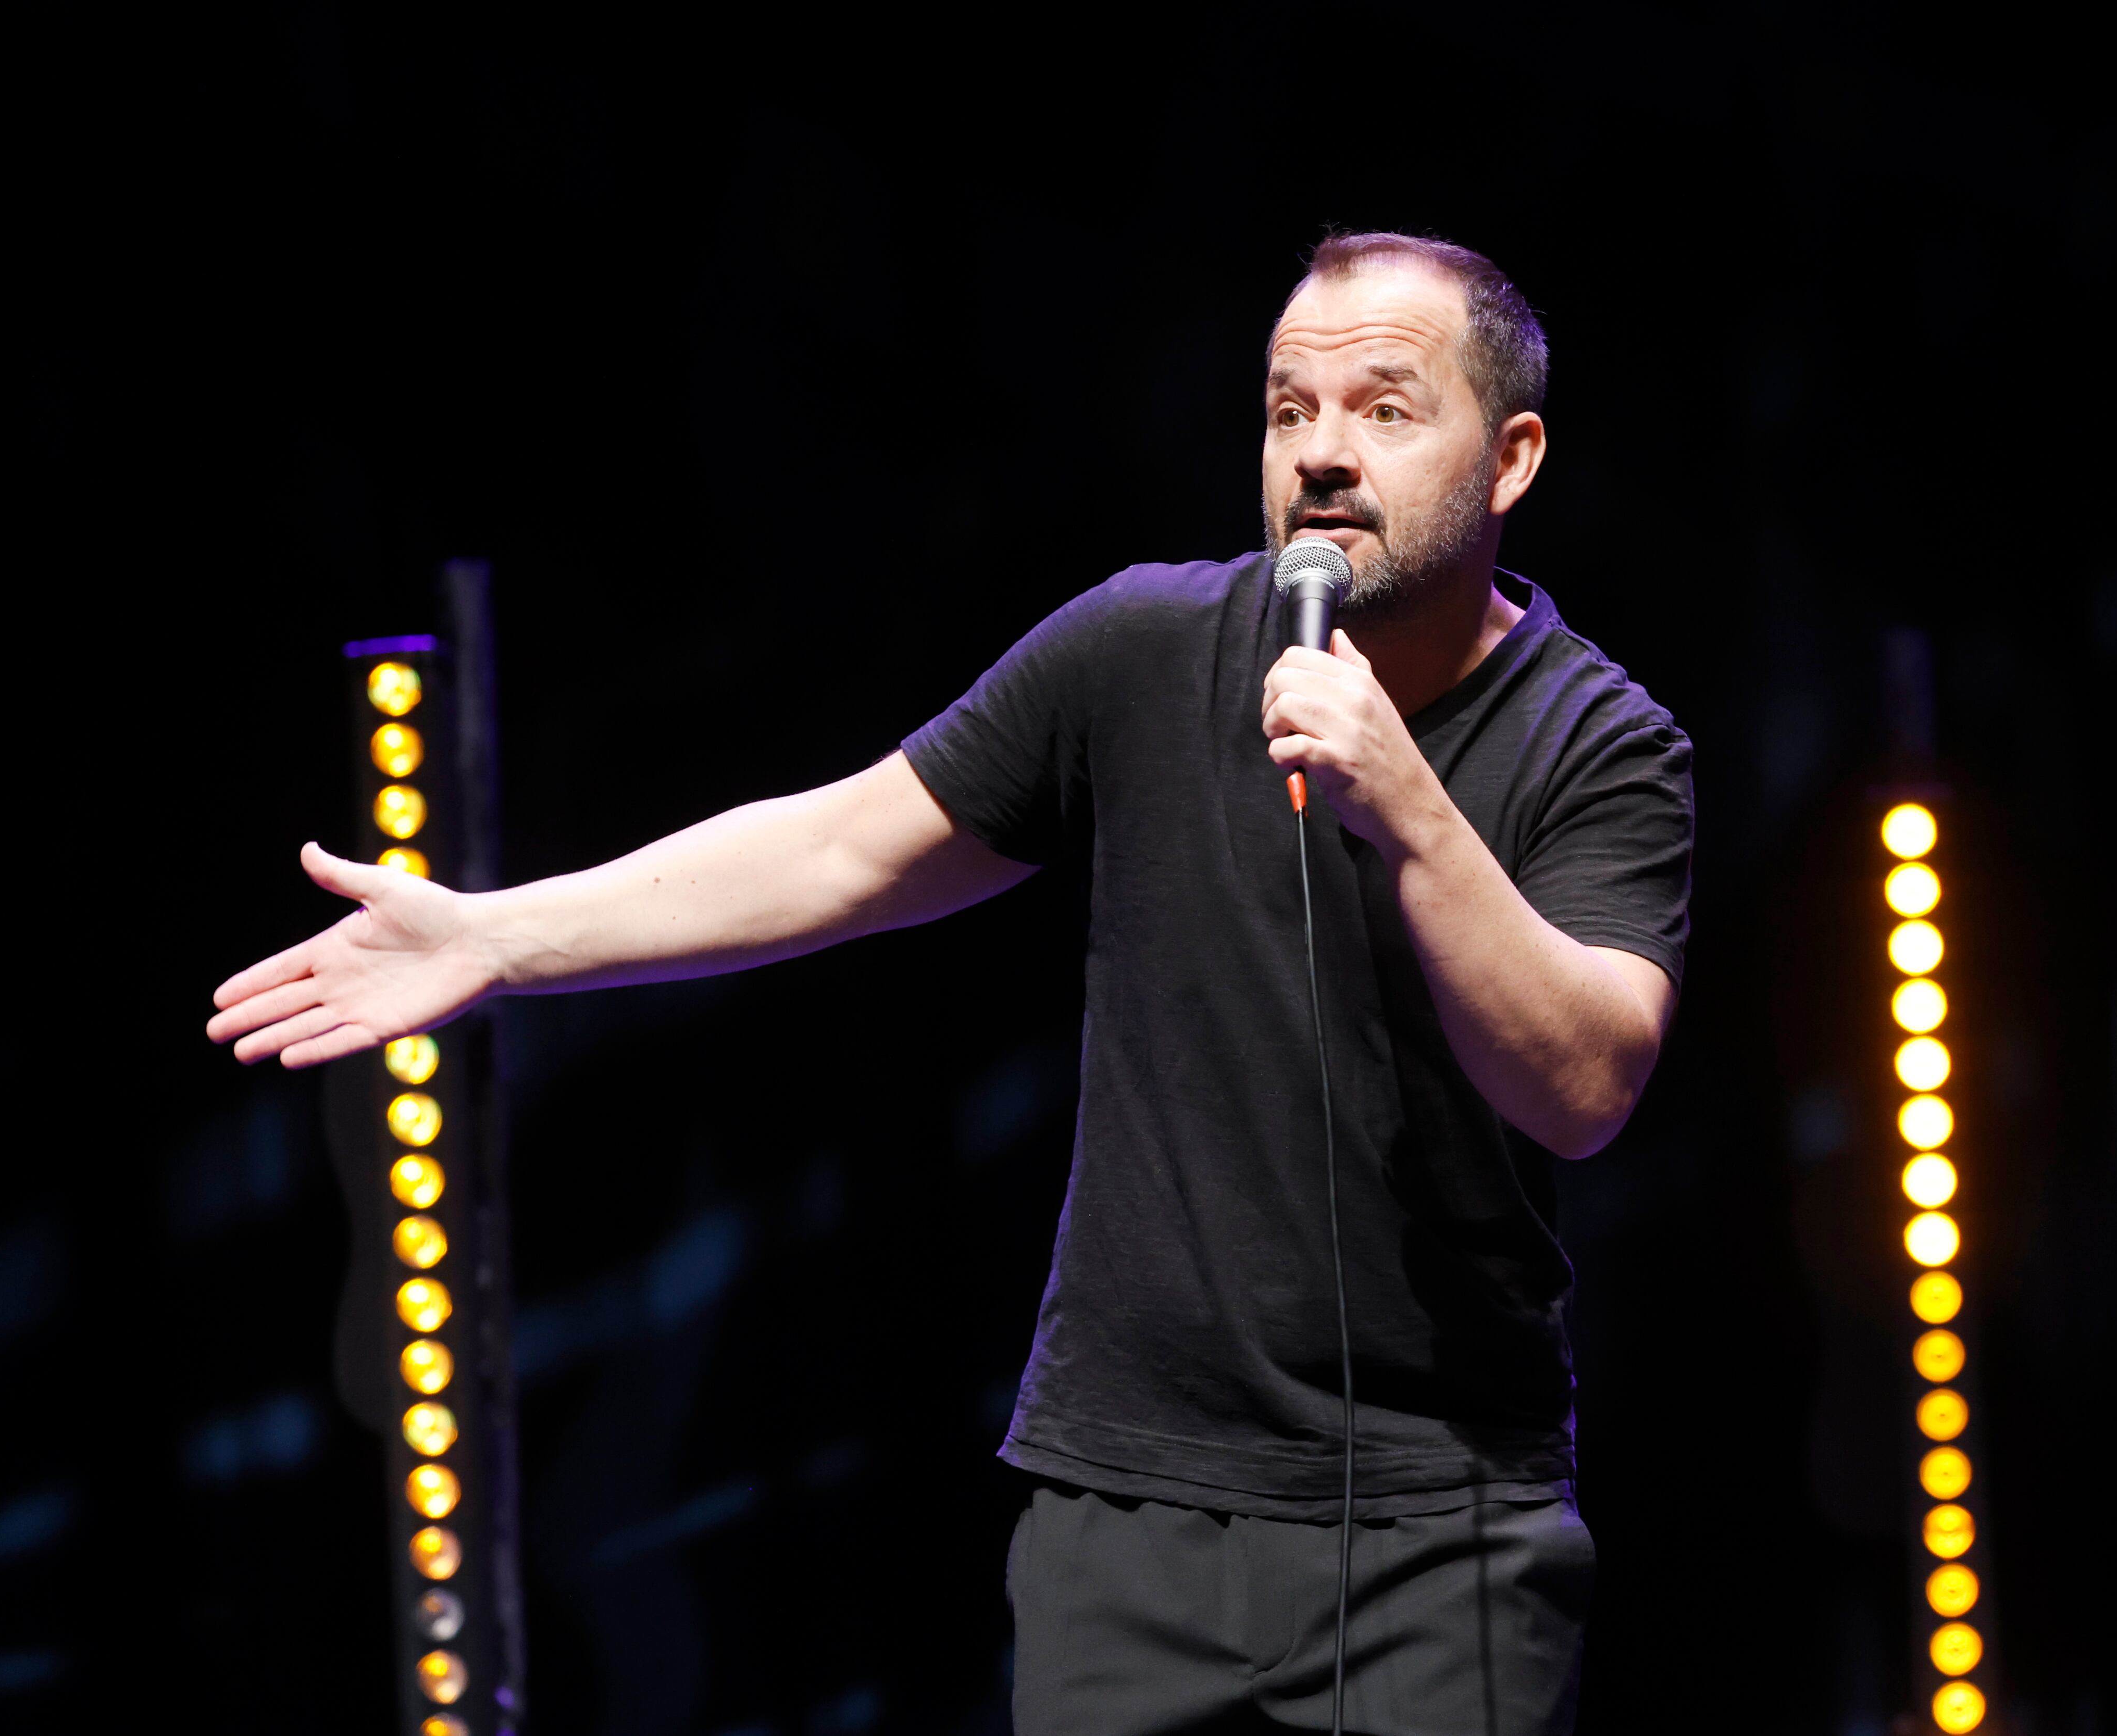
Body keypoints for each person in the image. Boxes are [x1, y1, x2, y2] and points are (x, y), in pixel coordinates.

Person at [210, 231, 1693, 1735]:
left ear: (1509, 460)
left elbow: (1580, 1088)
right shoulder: (1143, 645)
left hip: (1445, 1533)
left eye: (1383, 410)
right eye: (1286, 410)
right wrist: (495, 937)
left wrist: (1408, 804)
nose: (1319, 455)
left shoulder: (1605, 745)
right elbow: (847, 847)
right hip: (1125, 1515)